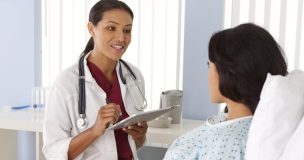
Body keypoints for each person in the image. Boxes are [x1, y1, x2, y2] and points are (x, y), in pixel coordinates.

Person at [163, 23, 288, 160]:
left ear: (228, 73)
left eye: (209, 65)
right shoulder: (251, 128)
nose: (208, 74)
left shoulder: (232, 144)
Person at [43, 0, 148, 159]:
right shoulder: (66, 84)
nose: (121, 37)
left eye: (127, 30)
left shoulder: (133, 76)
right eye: (111, 28)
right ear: (92, 29)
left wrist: (139, 136)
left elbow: (128, 144)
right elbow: (52, 153)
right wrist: (94, 131)